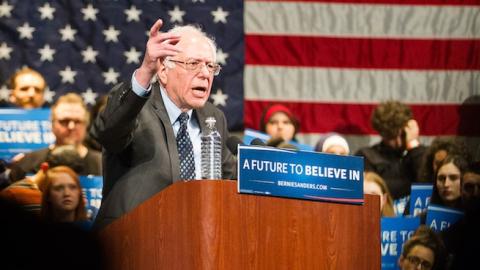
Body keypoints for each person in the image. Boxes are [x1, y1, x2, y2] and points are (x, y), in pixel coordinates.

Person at [89, 19, 236, 229]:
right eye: (193, 64)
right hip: (129, 239)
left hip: (194, 241)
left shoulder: (214, 117)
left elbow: (230, 181)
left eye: (210, 66)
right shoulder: (136, 106)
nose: (205, 74)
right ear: (164, 71)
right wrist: (146, 70)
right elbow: (108, 133)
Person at [9, 93, 102, 182]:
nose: (71, 126)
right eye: (64, 121)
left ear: (86, 125)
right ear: (52, 124)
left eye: (77, 121)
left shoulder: (102, 164)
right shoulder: (28, 162)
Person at [355, 101, 427, 201]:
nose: (398, 141)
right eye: (391, 137)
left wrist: (413, 145)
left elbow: (427, 184)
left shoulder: (419, 154)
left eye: (402, 134)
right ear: (382, 133)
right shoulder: (367, 156)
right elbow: (374, 191)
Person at [0, 145, 84, 216]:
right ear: (45, 168)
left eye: (71, 183)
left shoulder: (74, 197)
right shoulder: (13, 195)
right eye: (59, 178)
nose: (66, 191)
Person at [441, 161, 480, 269]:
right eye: (469, 187)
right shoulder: (449, 237)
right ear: (461, 190)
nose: (475, 193)